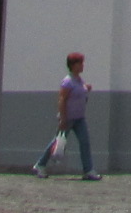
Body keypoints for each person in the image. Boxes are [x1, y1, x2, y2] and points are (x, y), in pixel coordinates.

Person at [34, 52, 97, 180]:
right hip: (68, 118)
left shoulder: (79, 80)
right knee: (58, 142)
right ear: (73, 65)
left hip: (79, 118)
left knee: (85, 142)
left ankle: (88, 170)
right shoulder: (67, 81)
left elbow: (81, 91)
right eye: (80, 63)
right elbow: (62, 99)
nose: (82, 66)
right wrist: (63, 118)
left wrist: (86, 88)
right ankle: (40, 165)